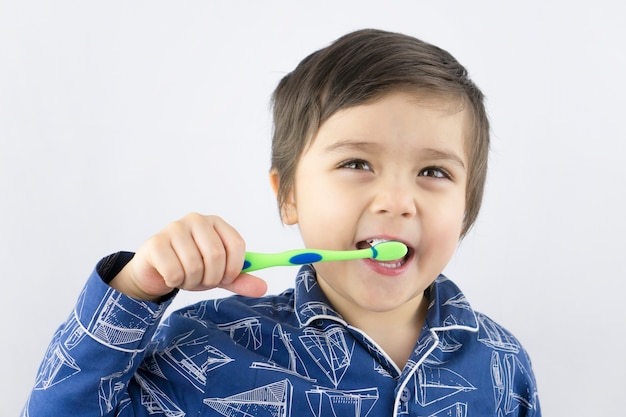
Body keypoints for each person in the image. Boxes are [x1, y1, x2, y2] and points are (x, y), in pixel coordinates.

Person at [22, 29, 541, 416]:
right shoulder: (205, 345)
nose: (398, 200)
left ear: (467, 208)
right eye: (357, 164)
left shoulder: (504, 364)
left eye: (434, 171)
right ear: (288, 196)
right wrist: (135, 288)